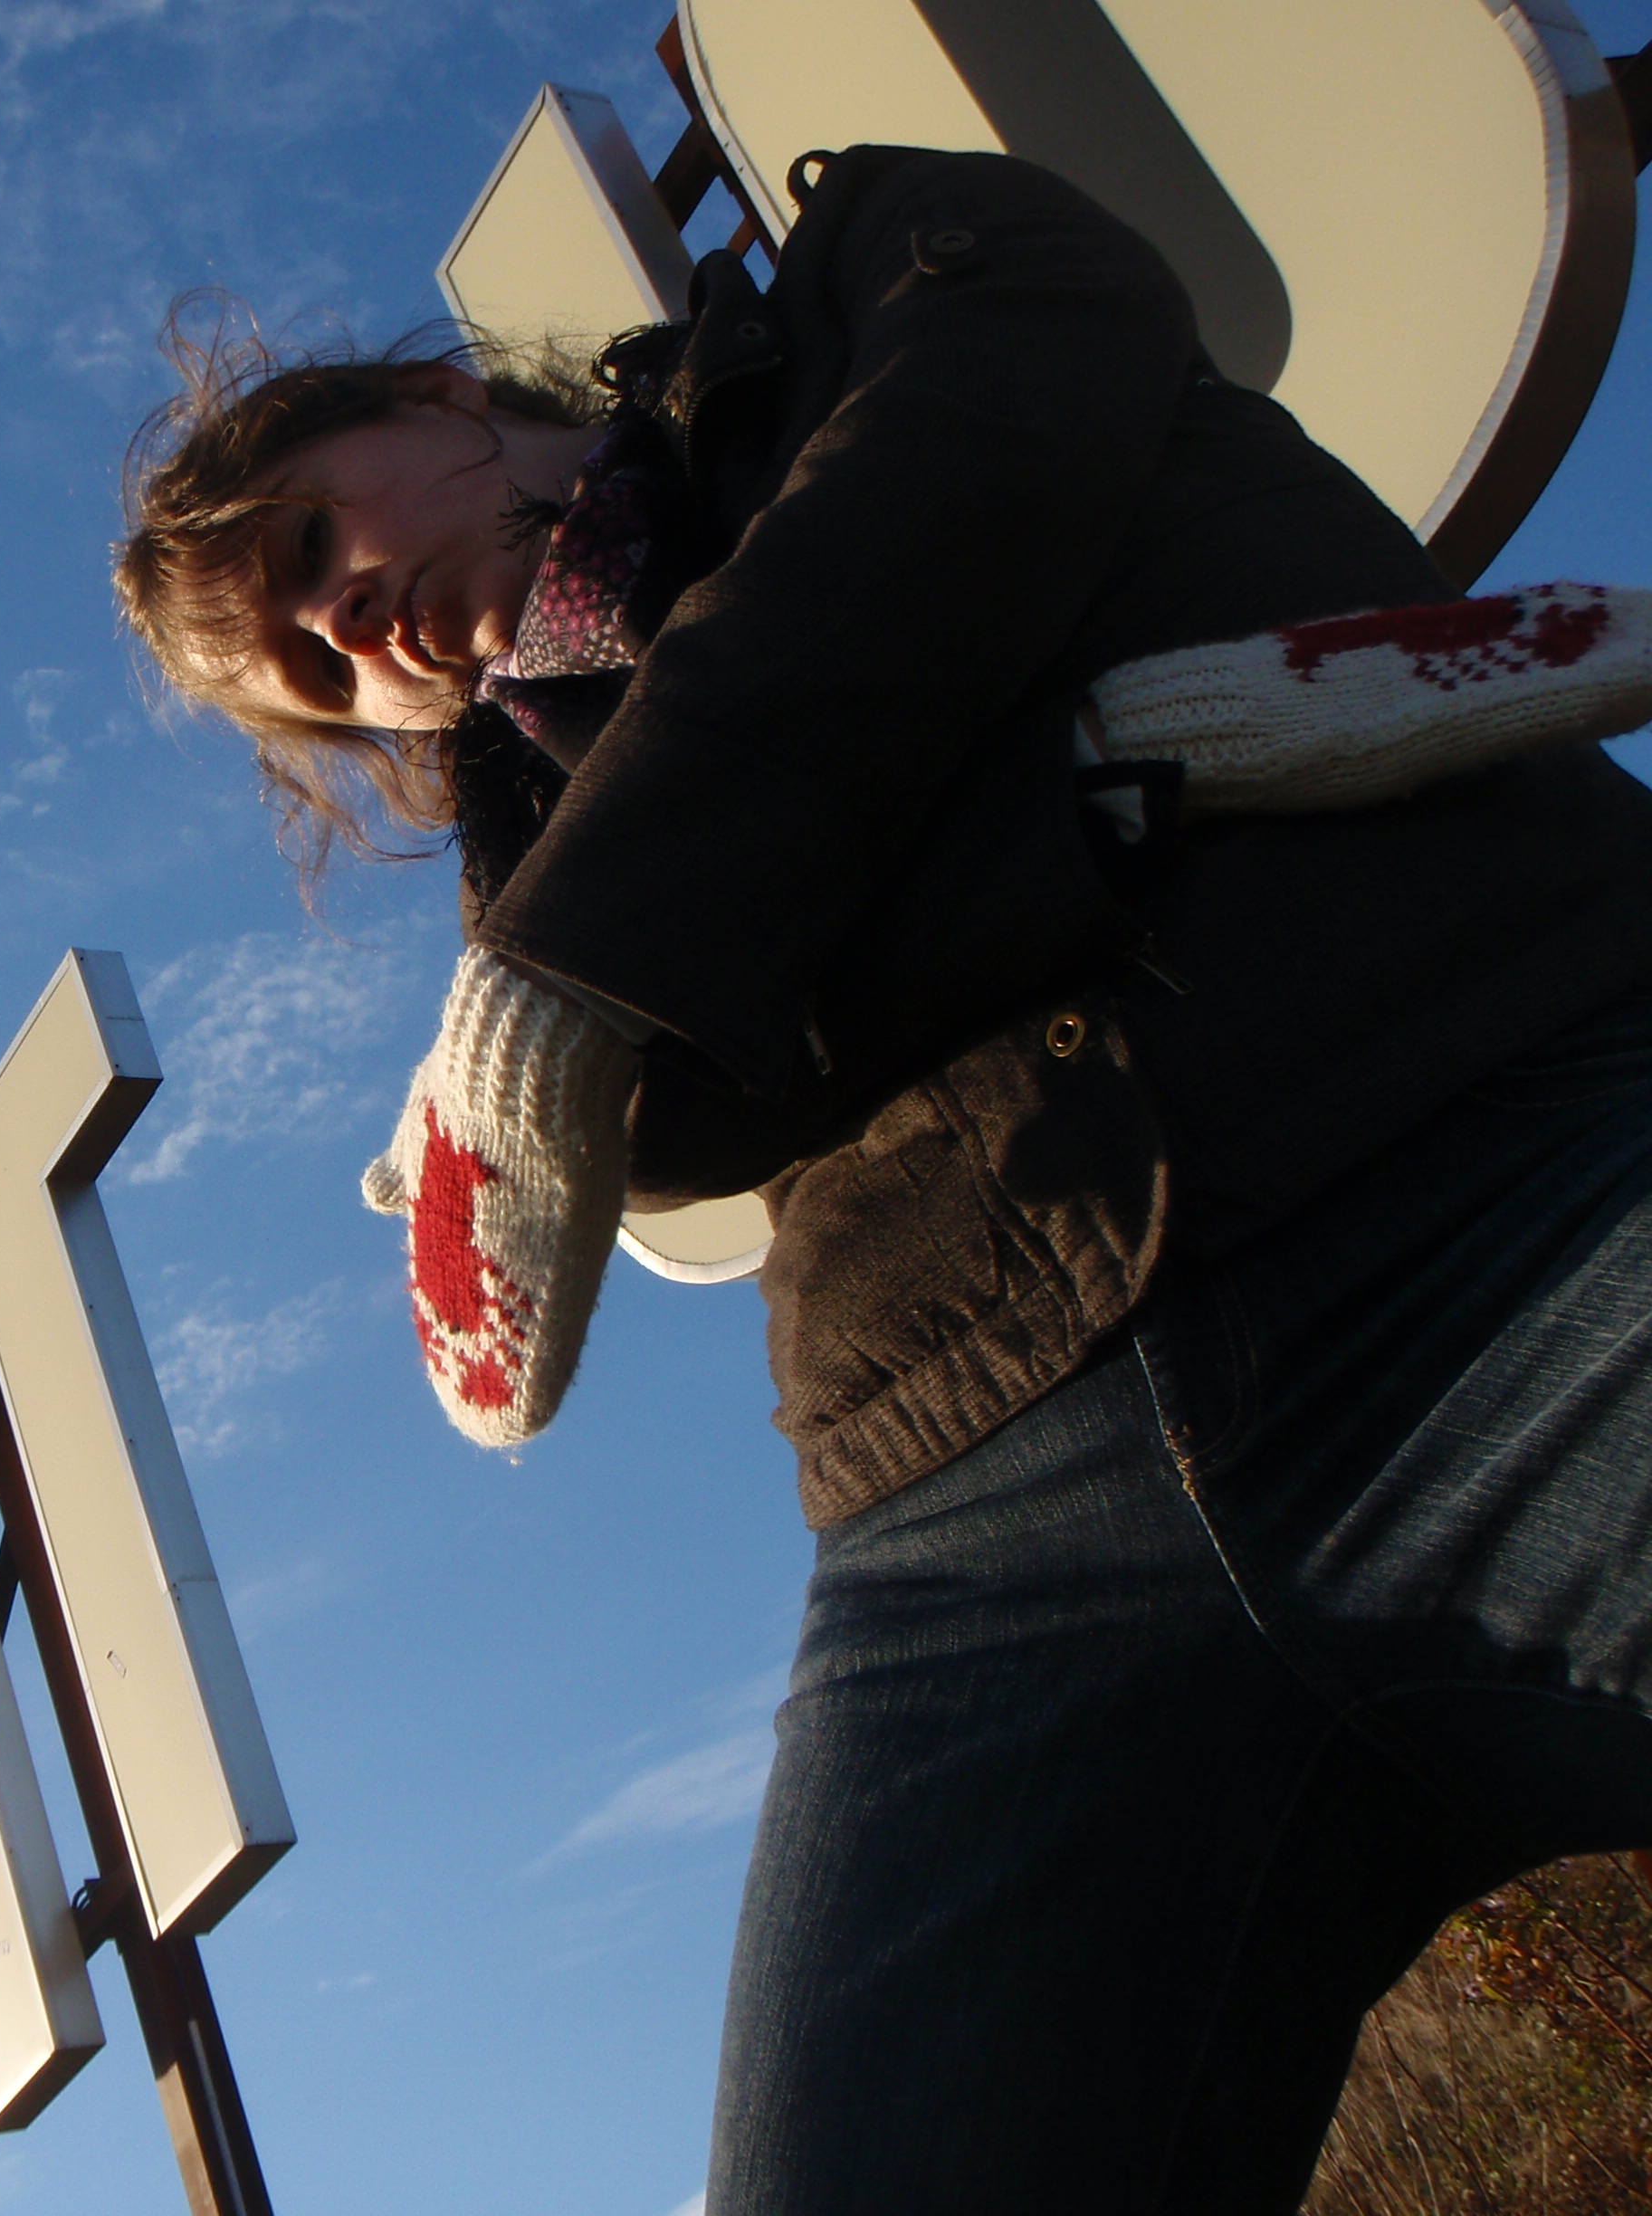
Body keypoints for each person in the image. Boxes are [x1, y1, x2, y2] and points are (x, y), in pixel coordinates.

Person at [115, 145, 1652, 2212]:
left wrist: (607, 964)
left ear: (437, 396)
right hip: (971, 1498)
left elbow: (970, 460)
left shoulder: (869, 272)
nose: (341, 624)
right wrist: (1114, 766)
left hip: (1498, 1171)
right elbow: (687, 1113)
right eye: (311, 673)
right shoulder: (529, 859)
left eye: (313, 538)